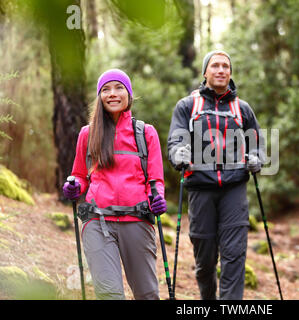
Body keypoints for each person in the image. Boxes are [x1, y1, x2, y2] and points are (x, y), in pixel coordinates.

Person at [62, 68, 167, 300]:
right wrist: (74, 186)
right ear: (99, 96)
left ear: (129, 94)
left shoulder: (145, 133)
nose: (113, 93)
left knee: (147, 294)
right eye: (106, 89)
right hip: (98, 222)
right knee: (109, 294)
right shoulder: (87, 134)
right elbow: (80, 175)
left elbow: (155, 180)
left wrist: (157, 197)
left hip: (137, 221)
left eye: (119, 88)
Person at [167, 50, 264, 300]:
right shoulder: (188, 106)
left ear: (230, 73)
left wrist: (256, 158)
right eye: (215, 66)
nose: (221, 70)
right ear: (205, 72)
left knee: (234, 255)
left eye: (225, 66)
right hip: (200, 188)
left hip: (234, 188)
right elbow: (176, 137)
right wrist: (179, 153)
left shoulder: (242, 108)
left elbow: (256, 142)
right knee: (205, 260)